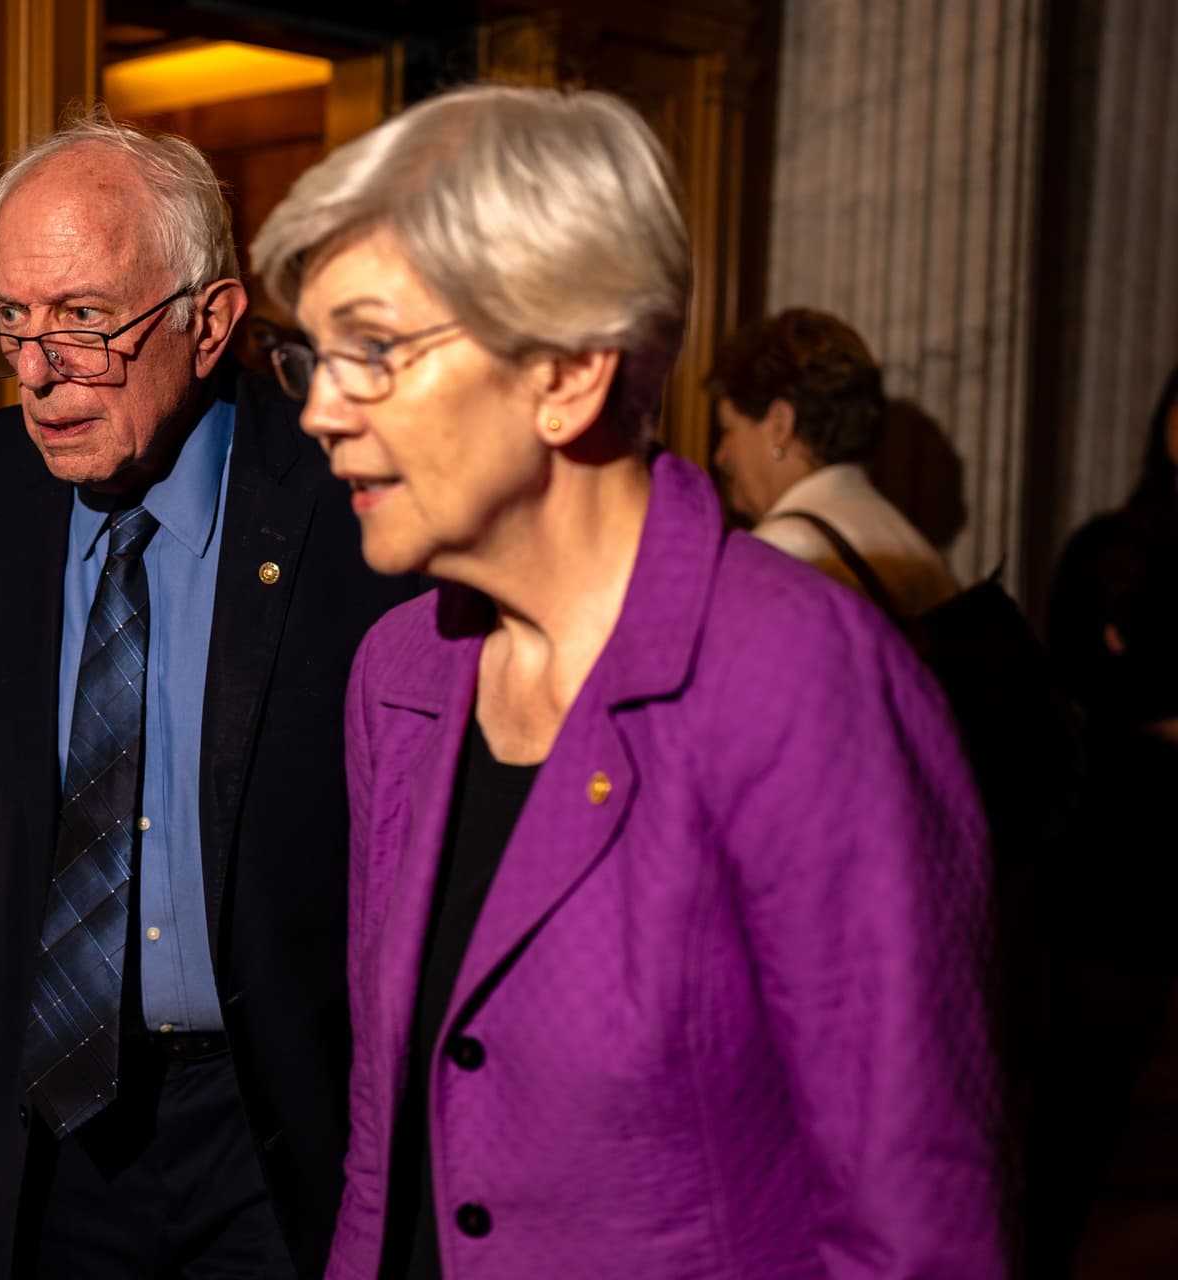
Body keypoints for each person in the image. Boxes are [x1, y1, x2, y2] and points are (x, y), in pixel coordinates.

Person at [251, 85, 1005, 1278]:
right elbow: (381, 1142)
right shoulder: (398, 674)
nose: (319, 409)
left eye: (375, 351)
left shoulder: (800, 678)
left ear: (565, 373)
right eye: (315, 354)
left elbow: (913, 1223)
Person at [0, 108, 417, 1280]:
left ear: (209, 321)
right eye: (12, 321)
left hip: (284, 1127)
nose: (40, 371)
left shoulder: (353, 499)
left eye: (86, 319)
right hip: (58, 1130)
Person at [1029, 366, 1178, 1276]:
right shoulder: (1111, 546)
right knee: (1081, 1097)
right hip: (1125, 859)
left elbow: (1130, 680)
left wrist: (1144, 682)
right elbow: (1083, 678)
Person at [708, 308, 959, 617]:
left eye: (728, 430)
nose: (720, 456)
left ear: (779, 425)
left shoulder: (785, 549)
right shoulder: (913, 544)